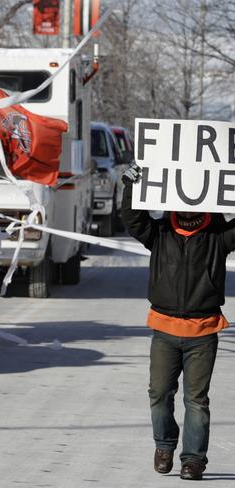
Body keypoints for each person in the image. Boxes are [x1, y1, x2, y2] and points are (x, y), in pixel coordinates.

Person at [121, 163, 235, 481]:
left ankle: (194, 459)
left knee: (196, 399)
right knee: (159, 394)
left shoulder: (219, 236)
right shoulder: (159, 233)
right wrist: (129, 185)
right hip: (165, 330)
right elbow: (131, 218)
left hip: (203, 331)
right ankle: (164, 444)